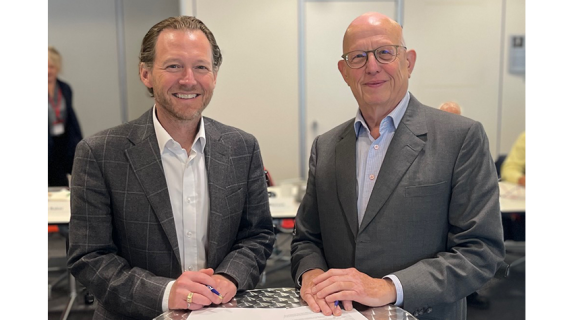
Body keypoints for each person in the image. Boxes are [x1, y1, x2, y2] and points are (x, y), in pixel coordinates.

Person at [290, 12, 505, 320]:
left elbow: (480, 251)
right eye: (358, 57)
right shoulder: (326, 146)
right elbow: (307, 238)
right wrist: (310, 274)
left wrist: (388, 287)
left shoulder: (460, 138)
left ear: (409, 62)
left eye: (385, 53)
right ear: (344, 71)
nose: (372, 66)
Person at [67, 16, 275, 320]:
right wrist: (165, 293)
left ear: (215, 75)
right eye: (174, 66)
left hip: (220, 312)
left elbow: (257, 235)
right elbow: (89, 256)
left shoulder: (242, 147)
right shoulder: (100, 153)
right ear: (146, 74)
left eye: (201, 67)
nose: (189, 79)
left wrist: (229, 277)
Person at [438, 100, 490, 310]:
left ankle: (470, 292)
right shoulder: (431, 144)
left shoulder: (470, 141)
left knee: (467, 247)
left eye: (456, 117)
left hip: (462, 212)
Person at [48, 46, 82, 187]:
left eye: (52, 66)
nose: (48, 71)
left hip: (62, 142)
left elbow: (70, 117)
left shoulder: (65, 88)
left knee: (62, 183)